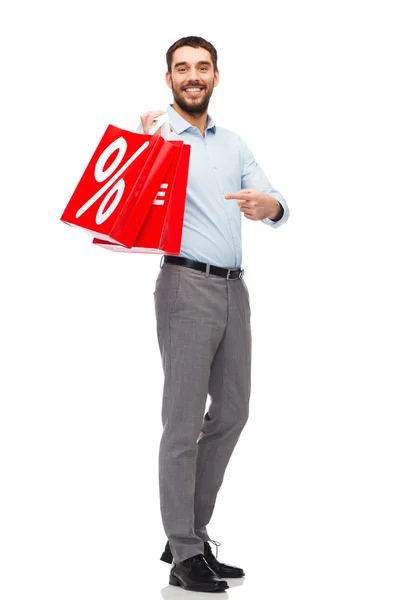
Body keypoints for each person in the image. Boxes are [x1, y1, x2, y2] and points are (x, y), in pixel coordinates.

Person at [137, 36, 290, 593]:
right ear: (170, 78)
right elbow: (124, 190)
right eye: (182, 68)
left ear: (216, 77)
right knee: (181, 423)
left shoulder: (233, 144)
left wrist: (268, 206)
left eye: (202, 67)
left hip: (234, 289)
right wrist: (142, 140)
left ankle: (189, 535)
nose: (192, 76)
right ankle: (184, 550)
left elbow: (272, 199)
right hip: (184, 286)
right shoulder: (158, 138)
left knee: (231, 412)